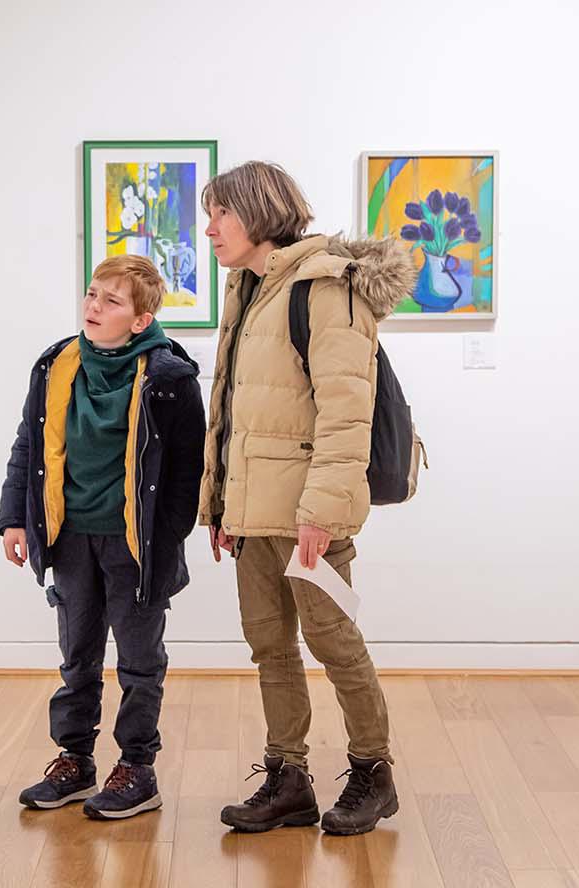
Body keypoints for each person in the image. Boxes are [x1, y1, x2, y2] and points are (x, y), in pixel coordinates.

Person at [198, 161, 416, 835]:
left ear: (258, 212)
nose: (209, 229)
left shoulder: (326, 287)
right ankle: (287, 776)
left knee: (333, 637)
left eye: (220, 214)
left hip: (308, 518)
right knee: (269, 644)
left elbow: (346, 413)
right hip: (256, 513)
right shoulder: (250, 287)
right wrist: (220, 504)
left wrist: (321, 510)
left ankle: (373, 771)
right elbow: (236, 409)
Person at [0, 254, 206, 820]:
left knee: (139, 661)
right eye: (92, 294)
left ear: (140, 320)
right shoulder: (56, 365)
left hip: (136, 546)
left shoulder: (169, 379)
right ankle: (75, 759)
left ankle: (137, 766)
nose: (93, 306)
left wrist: (168, 537)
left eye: (111, 301)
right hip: (69, 535)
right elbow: (29, 447)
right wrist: (14, 516)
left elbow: (191, 470)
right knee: (77, 657)